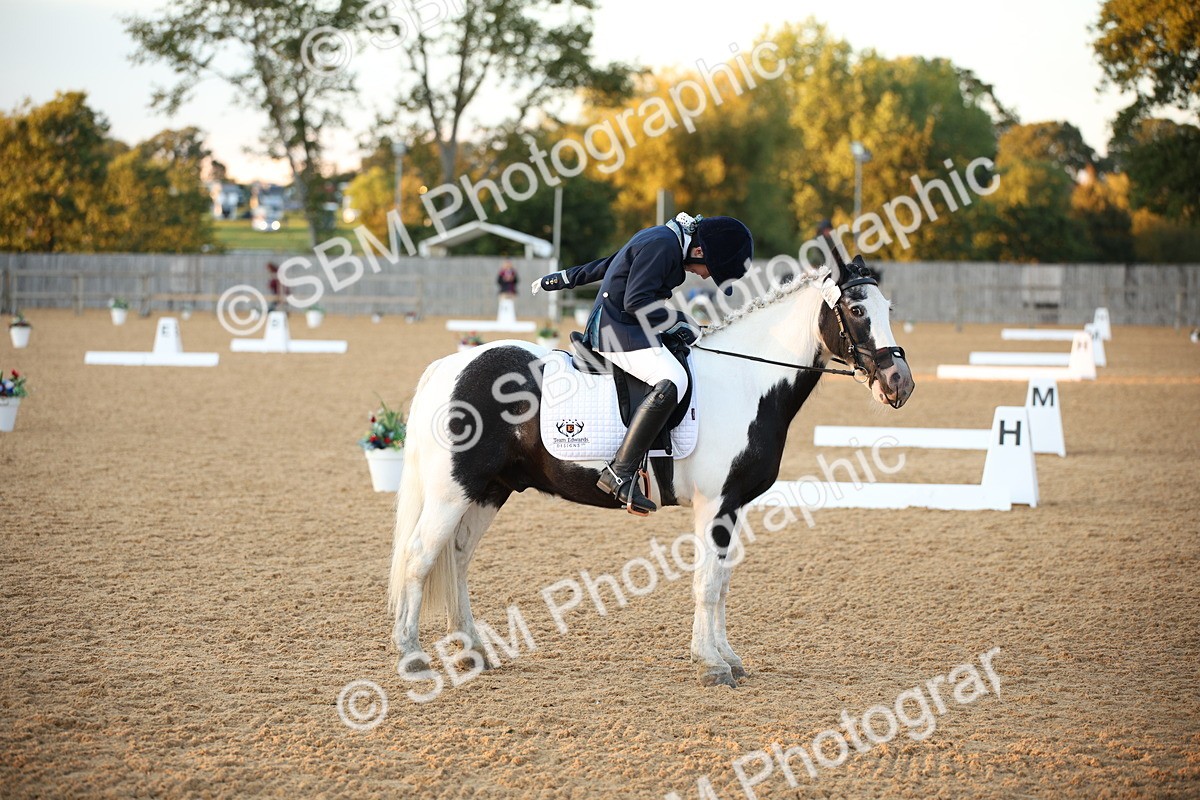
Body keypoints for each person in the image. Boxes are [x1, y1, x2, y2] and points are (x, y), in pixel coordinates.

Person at [533, 213, 753, 514]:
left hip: (624, 324)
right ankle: (620, 472)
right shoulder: (663, 246)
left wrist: (566, 278)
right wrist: (678, 320)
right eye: (708, 270)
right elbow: (635, 302)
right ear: (699, 251)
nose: (704, 276)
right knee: (674, 379)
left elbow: (612, 263)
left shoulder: (662, 239)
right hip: (615, 330)